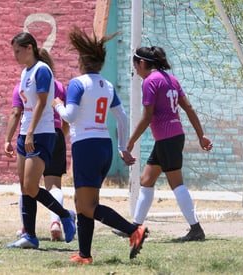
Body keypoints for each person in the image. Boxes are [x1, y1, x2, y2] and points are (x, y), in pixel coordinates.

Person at [52, 26, 148, 265]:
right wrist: (122, 148)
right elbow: (123, 117)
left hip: (86, 146)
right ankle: (84, 254)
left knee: (87, 204)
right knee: (82, 202)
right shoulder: (107, 85)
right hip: (104, 146)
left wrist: (56, 105)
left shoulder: (77, 84)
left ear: (82, 61)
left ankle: (133, 230)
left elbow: (71, 116)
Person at [113, 46, 213, 242]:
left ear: (142, 63)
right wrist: (201, 135)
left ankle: (196, 229)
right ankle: (135, 228)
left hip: (167, 139)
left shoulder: (150, 82)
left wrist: (130, 142)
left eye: (135, 66)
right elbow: (189, 108)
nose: (136, 71)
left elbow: (147, 117)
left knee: (177, 184)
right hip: (172, 137)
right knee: (146, 180)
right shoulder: (171, 79)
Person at [4, 32, 75, 249]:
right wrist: (13, 137)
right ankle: (30, 237)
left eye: (18, 51)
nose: (15, 55)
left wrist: (32, 132)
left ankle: (64, 215)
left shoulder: (42, 70)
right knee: (25, 187)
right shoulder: (25, 73)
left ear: (29, 48)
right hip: (25, 133)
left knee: (32, 186)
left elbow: (42, 104)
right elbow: (20, 110)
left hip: (41, 133)